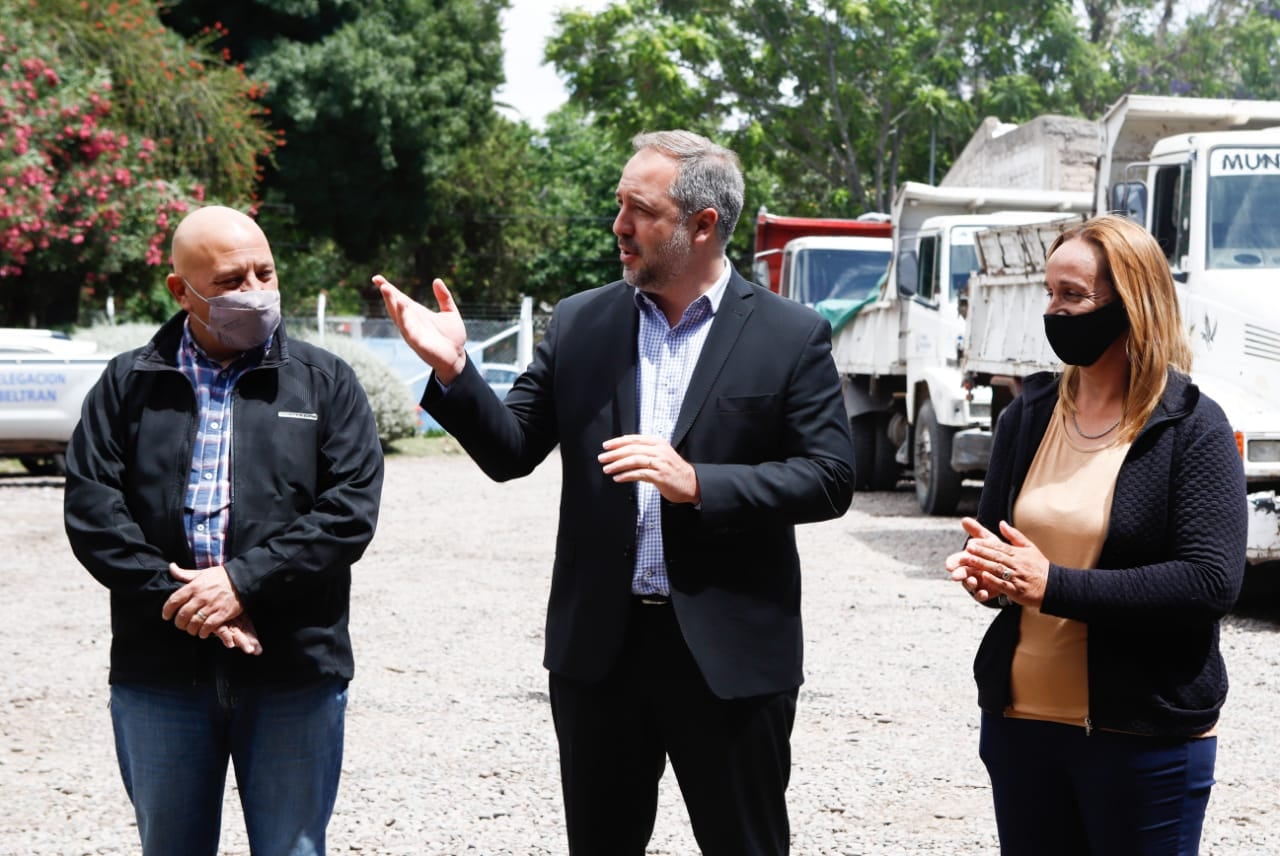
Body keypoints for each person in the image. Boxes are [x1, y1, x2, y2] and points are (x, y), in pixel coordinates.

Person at [375, 130, 854, 854]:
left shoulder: (791, 335)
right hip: (601, 654)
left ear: (703, 225)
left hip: (728, 659)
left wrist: (699, 484)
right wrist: (454, 375)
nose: (618, 226)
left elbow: (829, 477)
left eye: (640, 209)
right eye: (618, 205)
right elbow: (511, 452)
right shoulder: (581, 322)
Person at [63, 205, 385, 856]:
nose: (256, 293)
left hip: (294, 669)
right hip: (159, 675)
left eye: (265, 273)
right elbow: (93, 510)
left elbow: (350, 509)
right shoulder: (129, 384)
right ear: (181, 290)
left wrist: (244, 581)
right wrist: (185, 598)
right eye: (232, 280)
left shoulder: (326, 383)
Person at [945, 214, 1248, 855]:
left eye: (1073, 296)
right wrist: (990, 577)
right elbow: (1006, 553)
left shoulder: (1193, 426)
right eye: (1050, 294)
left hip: (1144, 736)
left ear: (1133, 301)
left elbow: (1209, 582)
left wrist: (1050, 584)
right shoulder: (1028, 413)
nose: (1054, 311)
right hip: (1020, 726)